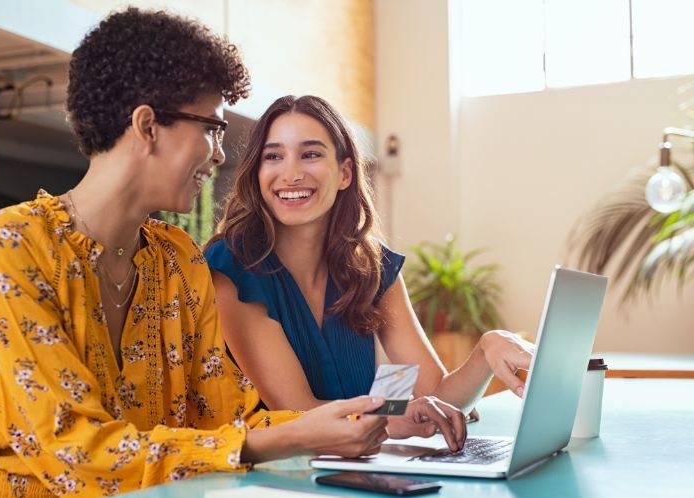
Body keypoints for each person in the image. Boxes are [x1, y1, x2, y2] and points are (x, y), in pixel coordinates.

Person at [0, 11, 390, 498]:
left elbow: (230, 411)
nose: (221, 154)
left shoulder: (176, 258)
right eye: (213, 128)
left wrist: (359, 419)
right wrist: (288, 436)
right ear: (147, 125)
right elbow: (71, 450)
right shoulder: (13, 243)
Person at [205, 95, 535, 447]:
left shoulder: (371, 266)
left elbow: (438, 397)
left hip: (356, 472)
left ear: (345, 173)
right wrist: (393, 416)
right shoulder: (233, 266)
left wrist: (487, 350)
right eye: (273, 156)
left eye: (311, 154)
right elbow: (300, 413)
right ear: (257, 173)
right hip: (265, 483)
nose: (290, 173)